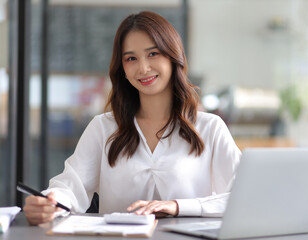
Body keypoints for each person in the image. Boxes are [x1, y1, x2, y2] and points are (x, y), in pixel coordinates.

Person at [23, 11, 241, 225]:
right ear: (122, 69)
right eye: (131, 58)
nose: (143, 68)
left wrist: (177, 206)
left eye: (153, 54)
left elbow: (243, 197)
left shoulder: (210, 128)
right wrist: (49, 204)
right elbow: (70, 186)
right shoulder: (103, 128)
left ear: (173, 56)